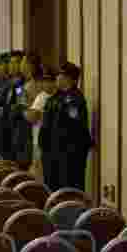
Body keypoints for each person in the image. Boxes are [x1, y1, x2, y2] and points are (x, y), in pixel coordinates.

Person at [39, 62, 93, 190]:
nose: (57, 78)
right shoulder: (56, 97)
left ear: (68, 78)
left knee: (69, 188)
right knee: (52, 188)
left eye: (60, 75)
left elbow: (73, 128)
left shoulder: (74, 99)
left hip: (68, 154)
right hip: (53, 152)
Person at [24, 67, 58, 179]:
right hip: (40, 140)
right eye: (44, 81)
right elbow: (33, 116)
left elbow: (32, 117)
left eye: (49, 81)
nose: (45, 84)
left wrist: (28, 111)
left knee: (43, 176)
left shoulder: (44, 97)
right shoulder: (42, 96)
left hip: (48, 143)